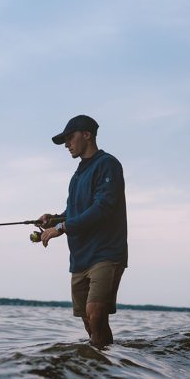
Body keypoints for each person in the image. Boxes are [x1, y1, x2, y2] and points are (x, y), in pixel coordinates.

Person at [36, 114, 128, 348]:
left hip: (106, 253)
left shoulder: (107, 164)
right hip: (80, 258)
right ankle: (99, 365)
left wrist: (63, 227)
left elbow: (103, 207)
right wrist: (54, 219)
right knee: (89, 322)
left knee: (96, 313)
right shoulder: (77, 176)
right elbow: (74, 211)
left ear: (87, 135)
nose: (67, 144)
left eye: (69, 138)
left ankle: (106, 372)